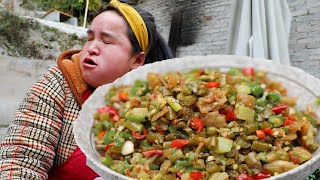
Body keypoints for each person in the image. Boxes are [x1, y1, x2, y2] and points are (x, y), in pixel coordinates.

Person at [0, 0, 173, 179]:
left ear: (137, 61)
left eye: (106, 41)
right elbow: (18, 162)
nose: (91, 49)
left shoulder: (156, 103)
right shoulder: (59, 85)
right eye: (89, 38)